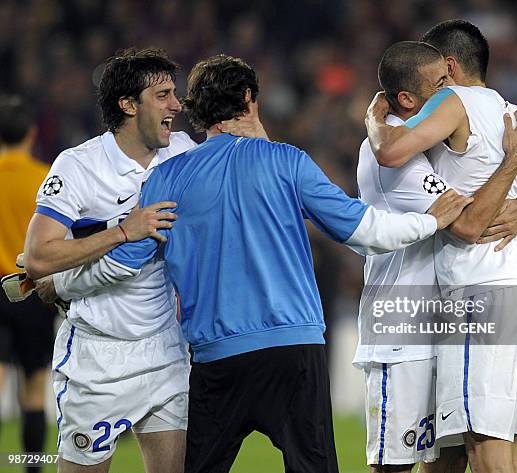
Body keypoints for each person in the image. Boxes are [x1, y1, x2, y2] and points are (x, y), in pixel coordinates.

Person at [42, 54, 473, 473]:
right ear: (249, 100)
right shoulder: (286, 161)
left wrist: (61, 285)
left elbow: (123, 264)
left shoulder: (167, 178)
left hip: (217, 360)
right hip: (293, 351)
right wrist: (428, 221)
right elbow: (368, 232)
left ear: (196, 110)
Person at [365, 20, 517, 473]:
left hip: (480, 294)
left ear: (447, 67)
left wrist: (373, 115)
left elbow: (389, 153)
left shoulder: (453, 101)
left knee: (486, 455)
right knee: (498, 450)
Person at [354, 41, 517, 473]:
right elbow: (467, 220)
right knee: (394, 465)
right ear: (407, 99)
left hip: (443, 322)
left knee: (452, 459)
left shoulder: (434, 144)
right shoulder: (394, 159)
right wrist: (513, 164)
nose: (453, 89)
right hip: (401, 330)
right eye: (441, 83)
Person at [23, 48, 198, 473]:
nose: (177, 105)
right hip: (99, 357)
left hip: (165, 349)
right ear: (128, 105)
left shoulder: (183, 151)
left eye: (175, 94)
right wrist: (123, 231)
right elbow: (37, 257)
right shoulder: (80, 166)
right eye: (163, 95)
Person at [0, 95, 57, 473]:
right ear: (32, 133)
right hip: (31, 290)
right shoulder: (45, 179)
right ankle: (32, 468)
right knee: (35, 388)